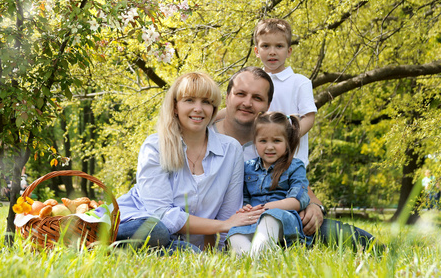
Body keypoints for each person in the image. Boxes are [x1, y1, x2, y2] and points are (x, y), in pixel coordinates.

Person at [214, 67, 383, 251]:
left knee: (342, 235)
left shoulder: (274, 146)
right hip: (236, 226)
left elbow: (305, 192)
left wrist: (315, 208)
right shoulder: (205, 136)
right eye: (240, 94)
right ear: (227, 96)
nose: (247, 103)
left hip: (281, 221)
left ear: (267, 106)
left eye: (257, 98)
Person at [116, 72, 265, 252]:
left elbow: (229, 215)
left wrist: (218, 251)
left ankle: (154, 251)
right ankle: (102, 242)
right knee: (157, 230)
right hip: (140, 223)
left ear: (214, 109)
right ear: (175, 107)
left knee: (190, 251)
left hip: (180, 244)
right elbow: (162, 214)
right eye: (189, 100)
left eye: (206, 102)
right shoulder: (155, 146)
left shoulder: (231, 150)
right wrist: (223, 225)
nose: (198, 108)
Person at [228, 112, 313, 256]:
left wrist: (265, 208)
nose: (269, 147)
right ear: (255, 141)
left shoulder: (295, 166)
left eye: (276, 141)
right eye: (263, 141)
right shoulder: (247, 167)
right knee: (234, 235)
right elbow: (244, 198)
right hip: (253, 220)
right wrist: (246, 207)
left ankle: (259, 253)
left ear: (287, 142)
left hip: (282, 219)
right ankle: (255, 258)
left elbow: (297, 200)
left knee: (269, 218)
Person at [253, 18, 317, 167]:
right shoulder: (253, 82)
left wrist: (287, 138)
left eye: (279, 46)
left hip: (291, 162)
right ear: (257, 51)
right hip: (259, 163)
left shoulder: (300, 82)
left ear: (289, 51)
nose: (272, 52)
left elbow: (309, 118)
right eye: (266, 46)